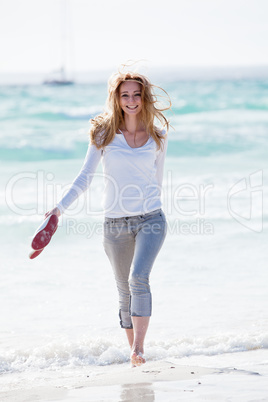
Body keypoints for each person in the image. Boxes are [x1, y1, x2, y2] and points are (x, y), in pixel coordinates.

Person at [45, 70, 171, 367]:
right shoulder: (103, 134)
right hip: (114, 223)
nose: (131, 101)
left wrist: (150, 207)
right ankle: (134, 354)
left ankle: (139, 349)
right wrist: (58, 209)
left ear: (144, 98)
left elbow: (158, 180)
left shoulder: (158, 135)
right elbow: (84, 178)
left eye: (136, 95)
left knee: (139, 277)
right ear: (117, 98)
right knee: (123, 288)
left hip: (151, 219)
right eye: (124, 95)